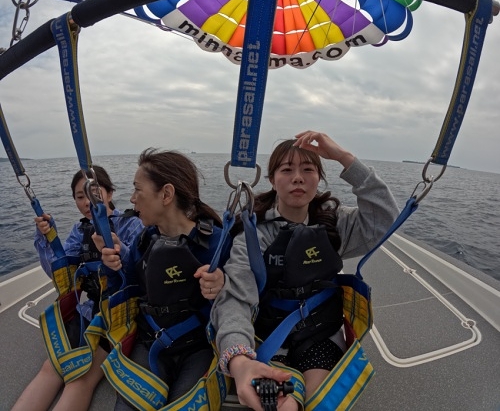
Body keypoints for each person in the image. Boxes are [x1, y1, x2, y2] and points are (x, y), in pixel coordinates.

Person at [211, 130, 400, 411]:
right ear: (272, 179)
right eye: (287, 170)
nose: (298, 177)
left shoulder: (334, 224)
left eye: (308, 169)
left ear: (319, 178)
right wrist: (238, 358)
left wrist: (344, 158)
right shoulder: (254, 235)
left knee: (317, 402)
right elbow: (236, 298)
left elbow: (384, 219)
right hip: (270, 336)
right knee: (279, 405)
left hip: (321, 334)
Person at [96, 148, 231, 410]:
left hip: (199, 348)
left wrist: (223, 285)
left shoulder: (217, 243)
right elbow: (128, 291)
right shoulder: (143, 242)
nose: (132, 199)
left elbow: (244, 300)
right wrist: (112, 268)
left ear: (166, 194)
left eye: (138, 190)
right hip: (150, 342)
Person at [12, 166, 144, 411]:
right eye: (80, 196)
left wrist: (118, 250)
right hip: (88, 312)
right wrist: (48, 238)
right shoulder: (80, 230)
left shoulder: (131, 225)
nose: (86, 202)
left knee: (80, 380)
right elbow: (60, 273)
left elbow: (142, 274)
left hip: (118, 316)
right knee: (51, 367)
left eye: (93, 193)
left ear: (110, 193)